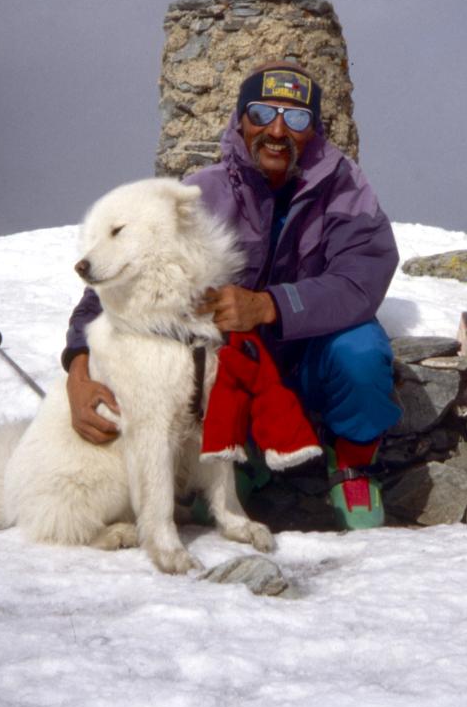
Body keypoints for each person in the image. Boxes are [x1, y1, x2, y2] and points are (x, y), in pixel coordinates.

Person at [62, 62, 401, 529]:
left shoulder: (346, 188)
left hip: (311, 356)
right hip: (231, 370)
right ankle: (236, 462)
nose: (277, 131)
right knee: (188, 364)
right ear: (240, 119)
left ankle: (352, 465)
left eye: (296, 118)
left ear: (314, 128)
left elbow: (361, 279)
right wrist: (78, 369)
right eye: (261, 113)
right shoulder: (201, 194)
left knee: (360, 350)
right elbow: (115, 286)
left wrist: (270, 306)